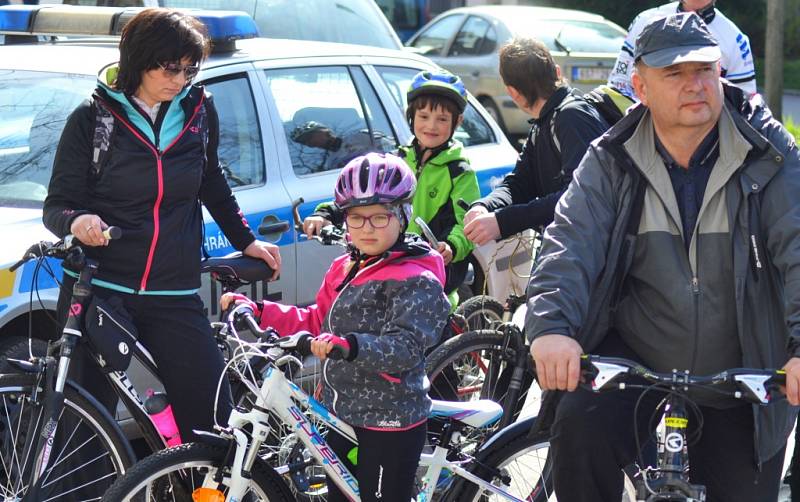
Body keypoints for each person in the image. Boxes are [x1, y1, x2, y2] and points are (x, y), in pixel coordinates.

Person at [526, 12, 800, 502]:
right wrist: (550, 329)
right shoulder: (610, 158)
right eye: (674, 73)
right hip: (632, 357)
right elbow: (569, 244)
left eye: (704, 69)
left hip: (743, 367)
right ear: (640, 86)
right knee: (578, 428)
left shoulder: (770, 153)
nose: (694, 84)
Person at [43, 8, 281, 444]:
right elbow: (57, 206)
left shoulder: (199, 111)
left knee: (212, 419)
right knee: (84, 427)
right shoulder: (92, 118)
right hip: (101, 288)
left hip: (172, 289)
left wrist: (246, 240)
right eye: (170, 68)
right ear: (140, 59)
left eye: (189, 70)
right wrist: (78, 221)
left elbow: (211, 182)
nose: (180, 79)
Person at [224, 152, 450, 502]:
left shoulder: (416, 279)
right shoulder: (345, 267)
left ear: (402, 215)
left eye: (380, 217)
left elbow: (405, 348)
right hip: (340, 414)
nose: (367, 228)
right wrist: (259, 309)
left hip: (389, 421)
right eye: (356, 219)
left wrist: (350, 346)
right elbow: (318, 321)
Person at [304, 70, 480, 306]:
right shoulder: (396, 159)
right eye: (424, 116)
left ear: (457, 122)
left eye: (442, 119)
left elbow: (467, 223)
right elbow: (358, 194)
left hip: (431, 272)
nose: (431, 126)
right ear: (411, 117)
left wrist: (452, 245)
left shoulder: (459, 171)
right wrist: (326, 214)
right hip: (387, 261)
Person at [463, 37, 609, 247]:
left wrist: (503, 222)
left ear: (513, 93)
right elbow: (520, 184)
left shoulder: (571, 117)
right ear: (557, 72)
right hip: (570, 249)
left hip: (595, 254)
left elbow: (580, 196)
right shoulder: (543, 124)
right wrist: (485, 206)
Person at [608, 0, 756, 99]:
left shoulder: (736, 40)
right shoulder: (645, 20)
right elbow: (619, 84)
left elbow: (744, 105)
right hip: (642, 131)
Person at [289, 120, 395, 172]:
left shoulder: (361, 137)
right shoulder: (329, 163)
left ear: (325, 130)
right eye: (305, 143)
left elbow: (392, 148)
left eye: (310, 137)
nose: (309, 143)